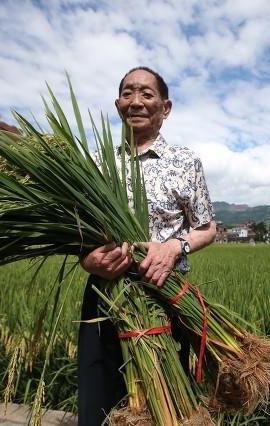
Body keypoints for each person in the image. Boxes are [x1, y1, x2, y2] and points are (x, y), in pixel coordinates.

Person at [77, 67, 217, 425]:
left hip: (164, 293)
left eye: (146, 94)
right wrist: (89, 259)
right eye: (127, 93)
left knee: (166, 402)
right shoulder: (96, 165)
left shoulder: (185, 162)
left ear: (165, 107)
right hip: (106, 296)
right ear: (117, 104)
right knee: (100, 398)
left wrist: (173, 248)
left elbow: (206, 228)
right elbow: (80, 234)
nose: (135, 101)